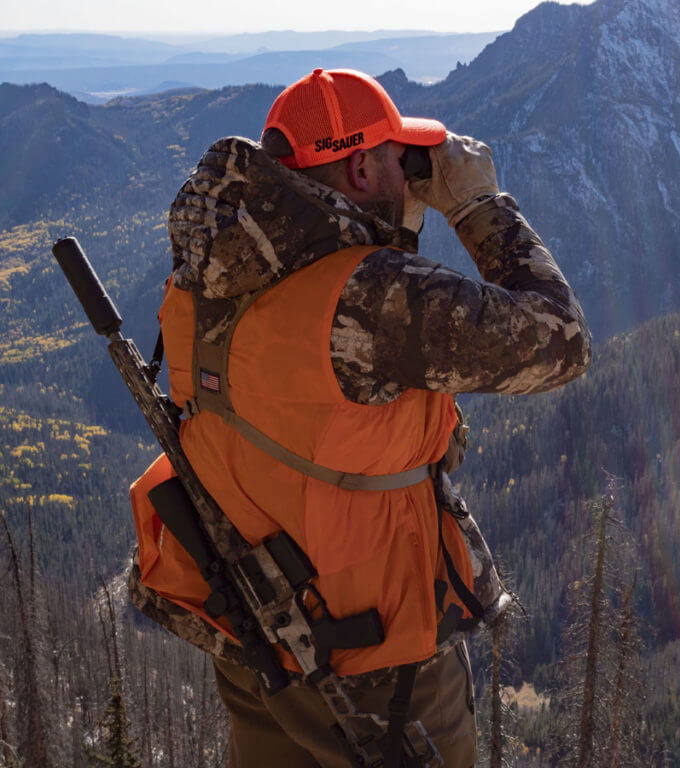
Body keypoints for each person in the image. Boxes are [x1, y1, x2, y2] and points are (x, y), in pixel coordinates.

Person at [126, 67, 591, 767]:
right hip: (378, 660)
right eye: (403, 161)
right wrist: (477, 207)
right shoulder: (370, 298)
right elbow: (562, 342)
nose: (414, 178)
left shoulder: (212, 269)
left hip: (257, 642)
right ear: (363, 167)